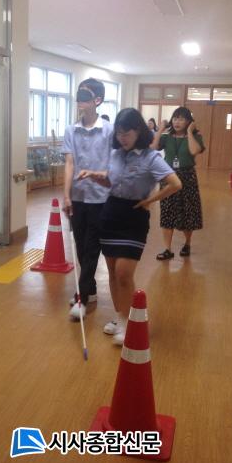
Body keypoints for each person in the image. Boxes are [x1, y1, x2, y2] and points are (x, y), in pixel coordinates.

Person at [79, 108, 182, 345]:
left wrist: (150, 200)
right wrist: (94, 175)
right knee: (113, 274)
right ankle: (120, 318)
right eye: (119, 133)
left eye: (127, 133)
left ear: (138, 131)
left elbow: (175, 183)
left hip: (134, 218)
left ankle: (130, 322)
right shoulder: (116, 154)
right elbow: (111, 181)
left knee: (124, 274)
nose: (122, 137)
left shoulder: (151, 157)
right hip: (110, 214)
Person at [62, 78, 114, 320]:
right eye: (79, 95)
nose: (80, 100)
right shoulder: (71, 130)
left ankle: (82, 296)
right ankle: (90, 289)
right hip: (78, 197)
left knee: (92, 247)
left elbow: (114, 164)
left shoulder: (109, 130)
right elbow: (69, 163)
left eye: (86, 95)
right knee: (81, 247)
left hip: (101, 198)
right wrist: (66, 195)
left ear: (97, 100)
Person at [150, 106, 205, 260]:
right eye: (175, 118)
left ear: (189, 122)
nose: (177, 122)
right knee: (167, 212)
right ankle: (167, 249)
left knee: (188, 212)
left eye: (181, 119)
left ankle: (187, 243)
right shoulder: (167, 137)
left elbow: (194, 151)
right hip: (168, 177)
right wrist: (160, 130)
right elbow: (153, 148)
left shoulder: (195, 136)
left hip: (187, 177)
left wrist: (190, 132)